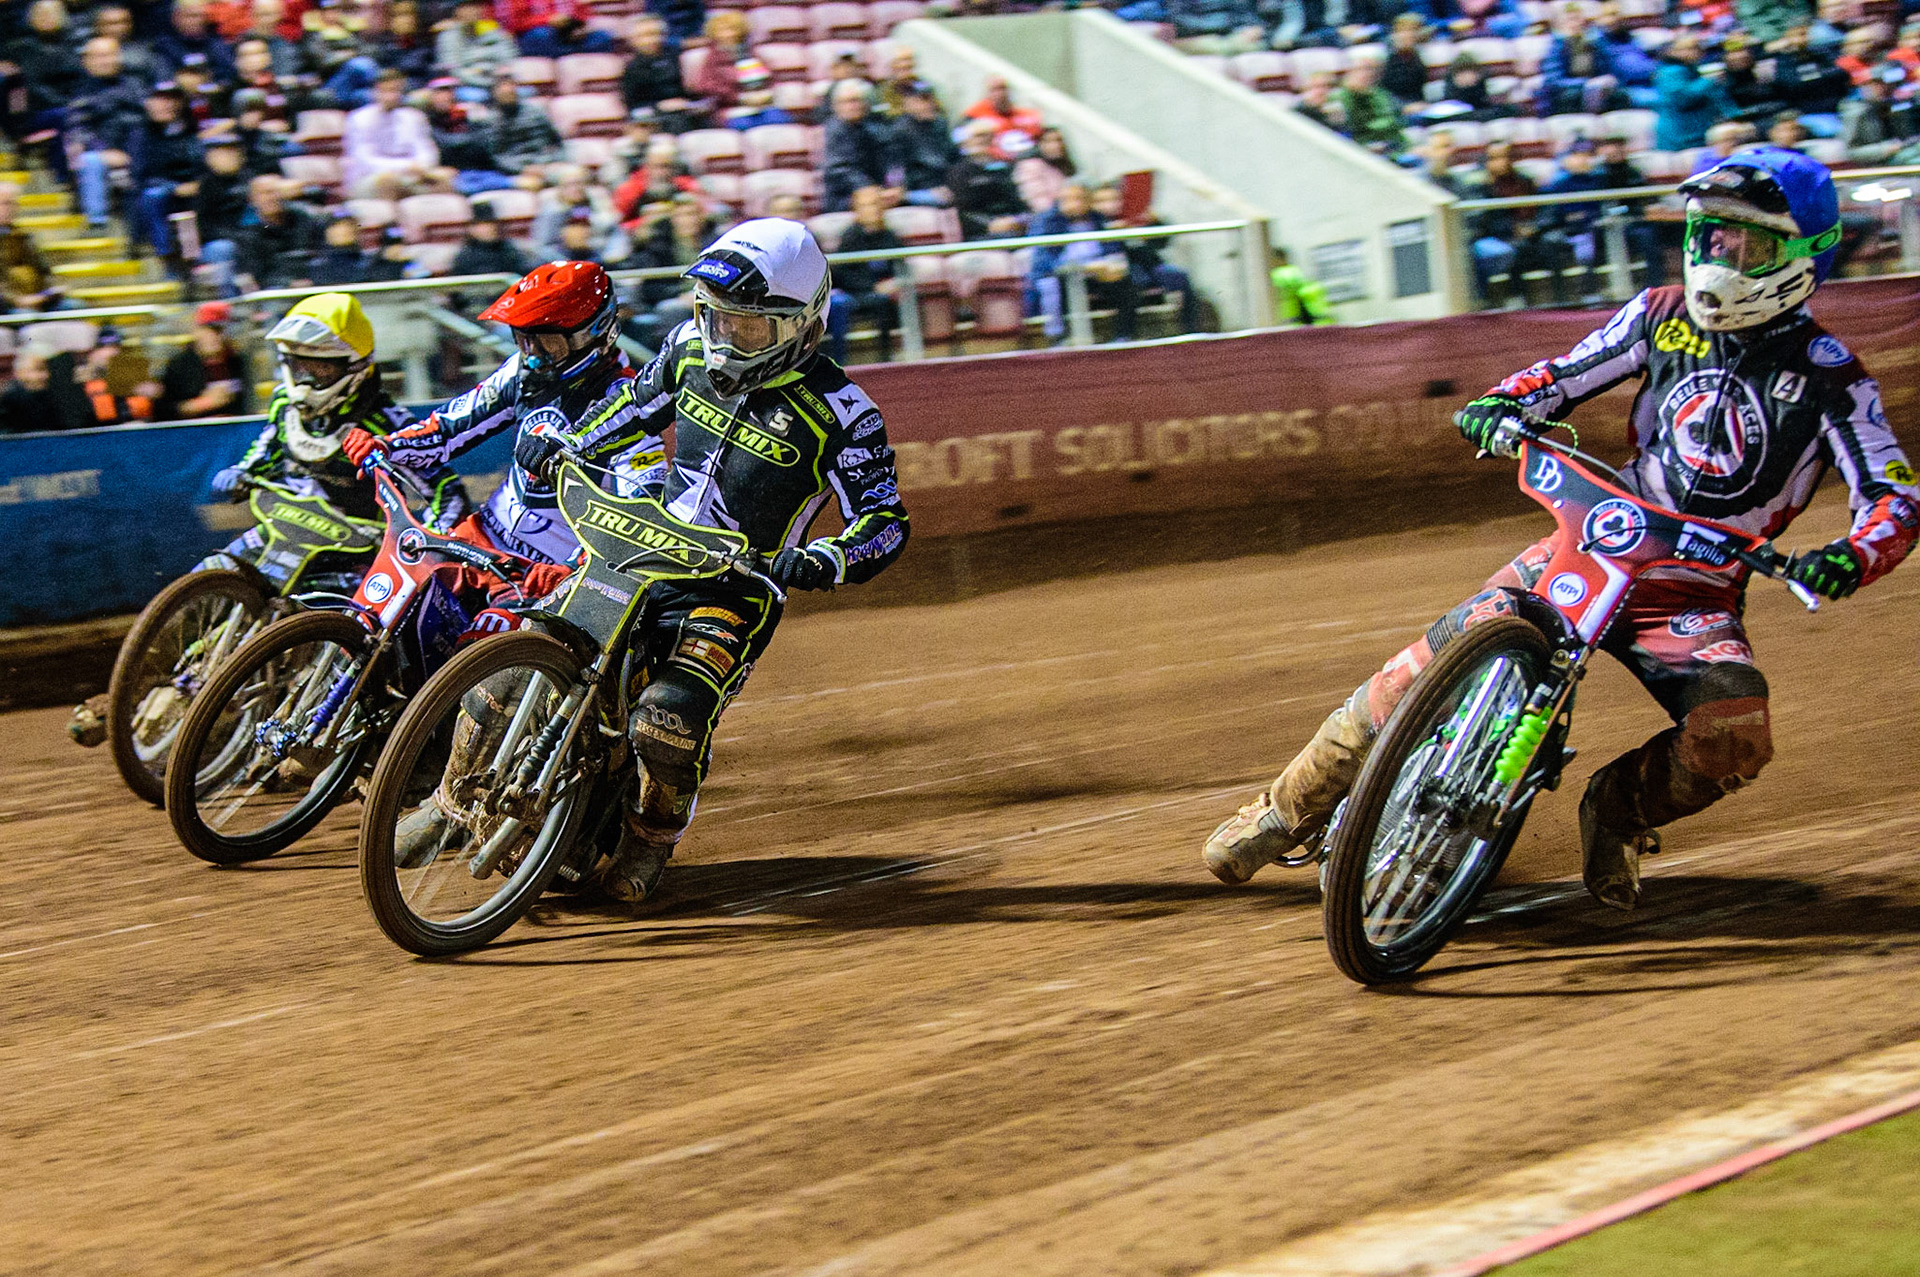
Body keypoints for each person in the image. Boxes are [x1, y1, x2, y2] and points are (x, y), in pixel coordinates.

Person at [1202, 148, 1918, 911]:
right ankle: (1283, 808)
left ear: (1805, 255)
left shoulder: (1832, 376)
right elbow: (1566, 371)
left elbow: (1895, 498)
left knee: (1735, 731)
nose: (1721, 257)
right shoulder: (1661, 314)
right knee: (1425, 662)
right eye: (1711, 235)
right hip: (1598, 538)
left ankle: (1615, 810)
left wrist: (1850, 556)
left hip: (1693, 590)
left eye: (1749, 244)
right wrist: (1505, 403)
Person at [520, 220, 911, 904]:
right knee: (526, 650)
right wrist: (572, 444)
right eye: (717, 317)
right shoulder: (685, 349)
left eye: (749, 327)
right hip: (643, 546)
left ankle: (650, 838)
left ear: (802, 326)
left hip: (736, 587)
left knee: (668, 716)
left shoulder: (845, 413)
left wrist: (822, 560)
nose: (726, 337)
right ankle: (449, 796)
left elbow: (885, 521)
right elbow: (632, 407)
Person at [202, 293, 467, 599]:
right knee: (208, 575)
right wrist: (242, 471)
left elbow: (446, 490)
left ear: (354, 366)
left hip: (350, 551)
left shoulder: (388, 424)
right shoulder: (284, 404)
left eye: (321, 369)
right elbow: (267, 449)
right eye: (300, 366)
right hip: (280, 528)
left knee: (333, 612)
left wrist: (429, 543)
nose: (307, 378)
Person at [827, 185, 902, 362]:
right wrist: (873, 286)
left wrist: (896, 282)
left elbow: (900, 265)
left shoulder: (889, 235)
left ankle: (891, 357)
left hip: (881, 294)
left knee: (895, 300)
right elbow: (843, 275)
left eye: (875, 204)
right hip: (854, 293)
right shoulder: (850, 237)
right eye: (865, 206)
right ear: (856, 211)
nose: (872, 210)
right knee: (842, 304)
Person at [343, 67, 439, 198]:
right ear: (375, 92)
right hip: (367, 178)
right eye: (386, 91)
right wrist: (406, 166)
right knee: (388, 180)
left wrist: (422, 166)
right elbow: (365, 161)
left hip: (410, 175)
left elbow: (426, 151)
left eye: (395, 91)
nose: (391, 96)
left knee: (442, 177)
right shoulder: (358, 119)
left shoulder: (414, 117)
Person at [152, 301, 254, 422]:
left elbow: (250, 404)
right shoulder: (180, 365)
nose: (215, 336)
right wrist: (201, 404)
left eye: (220, 330)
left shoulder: (238, 362)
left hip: (236, 429)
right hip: (194, 431)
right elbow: (162, 412)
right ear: (197, 331)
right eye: (209, 330)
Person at [822, 80, 898, 212]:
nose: (853, 106)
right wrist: (869, 189)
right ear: (836, 106)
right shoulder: (834, 131)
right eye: (847, 102)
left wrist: (894, 184)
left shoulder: (875, 127)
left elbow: (893, 159)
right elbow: (840, 169)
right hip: (844, 197)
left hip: (879, 193)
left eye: (857, 101)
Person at [947, 119, 1029, 239]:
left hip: (1013, 223)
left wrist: (1017, 220)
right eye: (978, 136)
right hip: (981, 230)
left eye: (988, 135)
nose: (983, 140)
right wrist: (988, 224)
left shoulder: (1007, 167)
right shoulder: (959, 171)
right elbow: (962, 209)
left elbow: (1019, 199)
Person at [1654, 34, 1734, 152]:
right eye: (1690, 48)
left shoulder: (1693, 69)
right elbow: (1682, 99)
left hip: (1701, 130)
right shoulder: (1669, 72)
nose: (1697, 52)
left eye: (1698, 48)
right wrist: (1708, 81)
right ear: (1674, 52)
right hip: (1682, 135)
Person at [619, 15, 695, 129]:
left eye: (656, 34)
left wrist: (686, 103)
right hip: (654, 117)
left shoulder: (676, 59)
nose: (653, 39)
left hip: (685, 110)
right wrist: (659, 106)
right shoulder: (632, 68)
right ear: (633, 40)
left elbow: (690, 91)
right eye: (646, 35)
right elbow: (632, 105)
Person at [891, 81, 960, 206]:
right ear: (908, 105)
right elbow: (898, 169)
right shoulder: (900, 130)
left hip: (944, 183)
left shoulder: (939, 123)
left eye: (930, 99)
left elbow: (953, 155)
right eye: (922, 101)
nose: (929, 105)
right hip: (917, 188)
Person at [435, 0, 517, 93]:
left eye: (476, 6)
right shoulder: (448, 37)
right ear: (457, 11)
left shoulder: (493, 31)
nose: (473, 11)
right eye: (467, 7)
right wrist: (488, 83)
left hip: (498, 83)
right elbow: (453, 70)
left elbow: (508, 59)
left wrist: (500, 79)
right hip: (466, 86)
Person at [0, 182, 58, 312]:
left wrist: (48, 293)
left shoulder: (24, 237)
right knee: (26, 314)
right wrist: (17, 301)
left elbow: (45, 271)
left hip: (36, 298)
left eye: (13, 204)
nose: (10, 209)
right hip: (7, 304)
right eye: (5, 204)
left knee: (73, 306)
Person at [964, 74, 1044, 156]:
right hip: (991, 158)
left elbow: (1039, 139)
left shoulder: (1029, 115)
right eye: (994, 90)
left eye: (1003, 88)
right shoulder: (975, 114)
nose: (1000, 94)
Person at [450, 207, 528, 276]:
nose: (486, 229)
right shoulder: (465, 256)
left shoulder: (509, 252)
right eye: (480, 226)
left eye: (489, 225)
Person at [1270, 244, 1331, 324]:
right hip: (1317, 320)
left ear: (1277, 259)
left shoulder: (1281, 274)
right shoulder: (1297, 272)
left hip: (1294, 322)